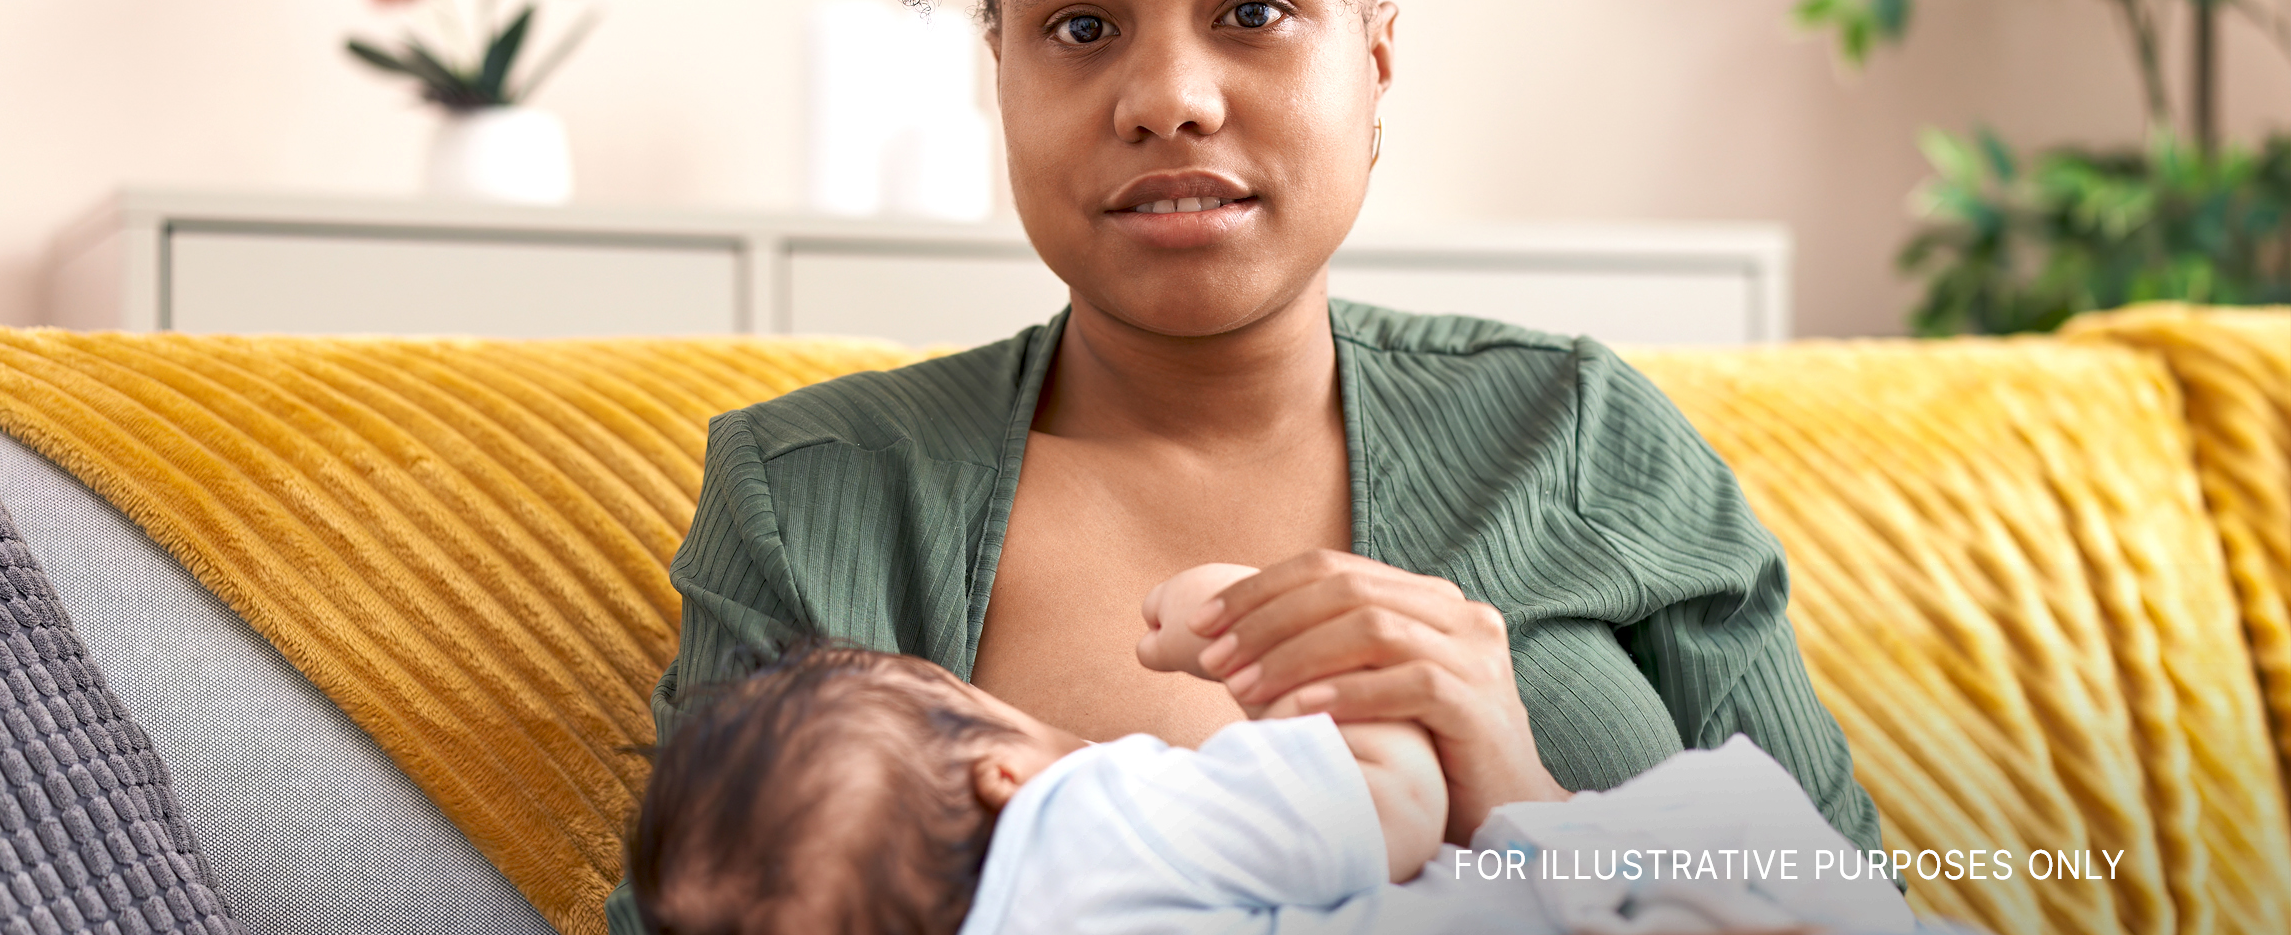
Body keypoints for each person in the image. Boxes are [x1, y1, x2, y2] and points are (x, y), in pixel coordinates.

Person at [607, 0, 1879, 927]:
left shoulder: (1587, 437)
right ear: (1000, 70)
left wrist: (1513, 786)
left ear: (1376, 60)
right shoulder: (811, 497)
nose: (1169, 98)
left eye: (1255, 9)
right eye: (1081, 27)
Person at [625, 570, 1917, 935]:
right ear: (999, 771)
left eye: (1252, 11)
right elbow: (1398, 800)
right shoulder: (1090, 824)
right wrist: (1243, 632)